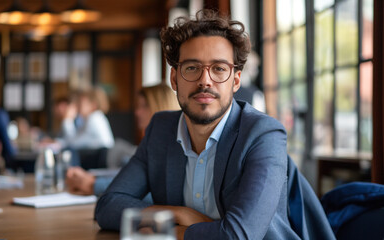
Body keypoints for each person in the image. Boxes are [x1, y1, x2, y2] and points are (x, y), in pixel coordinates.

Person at [94, 10, 334, 240]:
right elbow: (108, 207)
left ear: (236, 81)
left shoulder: (263, 135)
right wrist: (177, 215)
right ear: (174, 78)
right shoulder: (161, 129)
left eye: (219, 69)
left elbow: (238, 235)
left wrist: (166, 231)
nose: (204, 81)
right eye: (192, 68)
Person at [66, 84, 180, 196]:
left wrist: (94, 184)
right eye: (137, 106)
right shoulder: (152, 141)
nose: (137, 112)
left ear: (162, 106)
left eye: (145, 106)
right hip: (113, 157)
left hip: (108, 155)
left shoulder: (172, 147)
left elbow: (149, 187)